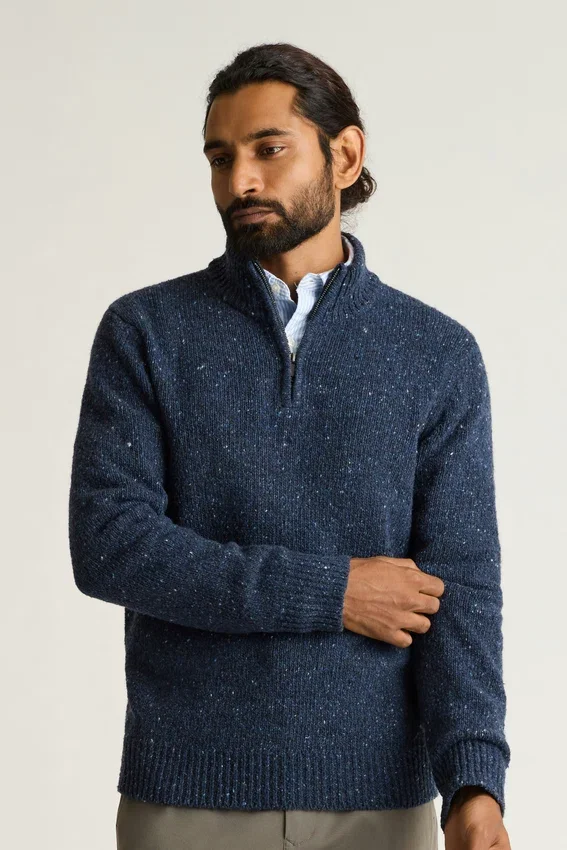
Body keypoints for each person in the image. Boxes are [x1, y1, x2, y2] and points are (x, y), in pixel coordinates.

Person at [68, 42, 512, 850]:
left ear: (344, 156)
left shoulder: (435, 352)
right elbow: (111, 546)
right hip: (185, 798)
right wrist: (333, 591)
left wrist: (474, 780)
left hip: (378, 804)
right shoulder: (146, 331)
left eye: (268, 149)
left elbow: (461, 588)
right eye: (220, 158)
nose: (239, 180)